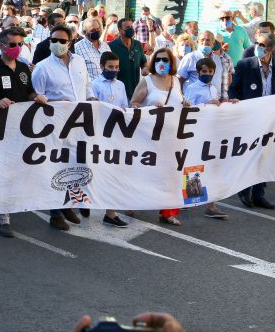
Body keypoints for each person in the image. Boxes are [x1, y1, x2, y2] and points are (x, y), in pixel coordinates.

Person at [0, 26, 46, 237]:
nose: (17, 48)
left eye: (20, 45)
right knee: (1, 170)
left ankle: (7, 203)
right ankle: (2, 215)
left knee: (16, 168)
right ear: (1, 45)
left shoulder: (24, 69)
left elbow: (29, 91)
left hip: (20, 130)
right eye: (12, 45)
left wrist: (36, 97)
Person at [32, 23, 94, 231]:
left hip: (79, 123)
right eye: (54, 40)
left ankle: (67, 202)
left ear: (71, 42)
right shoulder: (42, 68)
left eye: (62, 41)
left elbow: (86, 86)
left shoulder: (79, 62)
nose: (57, 44)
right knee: (56, 167)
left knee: (76, 166)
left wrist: (92, 99)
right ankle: (55, 213)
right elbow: (35, 98)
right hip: (55, 126)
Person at [228, 33, 275, 210]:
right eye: (257, 44)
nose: (257, 47)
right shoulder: (246, 64)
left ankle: (259, 194)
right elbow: (234, 88)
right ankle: (244, 191)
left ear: (271, 49)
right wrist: (234, 101)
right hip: (250, 117)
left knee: (265, 156)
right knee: (249, 155)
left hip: (270, 119)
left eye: (262, 45)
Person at [131, 47, 187, 226]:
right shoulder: (147, 81)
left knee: (171, 174)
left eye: (166, 60)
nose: (162, 63)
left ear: (172, 63)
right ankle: (132, 202)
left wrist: (185, 103)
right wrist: (148, 109)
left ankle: (168, 212)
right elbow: (133, 103)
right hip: (150, 136)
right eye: (158, 60)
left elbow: (179, 100)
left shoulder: (176, 82)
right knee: (145, 172)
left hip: (173, 137)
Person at [182, 57, 231, 220]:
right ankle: (189, 200)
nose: (207, 74)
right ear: (198, 72)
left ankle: (211, 205)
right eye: (204, 71)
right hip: (196, 131)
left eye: (210, 71)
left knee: (211, 166)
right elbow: (188, 109)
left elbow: (217, 107)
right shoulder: (192, 88)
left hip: (212, 132)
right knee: (194, 166)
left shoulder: (214, 88)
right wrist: (208, 104)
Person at [90, 51, 131, 228]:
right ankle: (85, 204)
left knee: (113, 174)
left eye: (116, 67)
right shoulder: (94, 84)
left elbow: (125, 106)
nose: (114, 70)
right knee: (95, 173)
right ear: (102, 67)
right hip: (100, 133)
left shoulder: (120, 84)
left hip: (117, 133)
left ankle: (110, 213)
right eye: (110, 67)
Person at [108, 18, 148, 101]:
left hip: (136, 91)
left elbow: (143, 62)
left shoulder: (138, 44)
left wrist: (145, 68)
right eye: (127, 28)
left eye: (131, 27)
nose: (130, 29)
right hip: (119, 91)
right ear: (120, 30)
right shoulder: (111, 46)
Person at [74, 17, 110, 82]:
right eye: (92, 30)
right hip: (90, 88)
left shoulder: (105, 46)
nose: (96, 32)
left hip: (107, 86)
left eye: (98, 29)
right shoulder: (77, 48)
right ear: (84, 32)